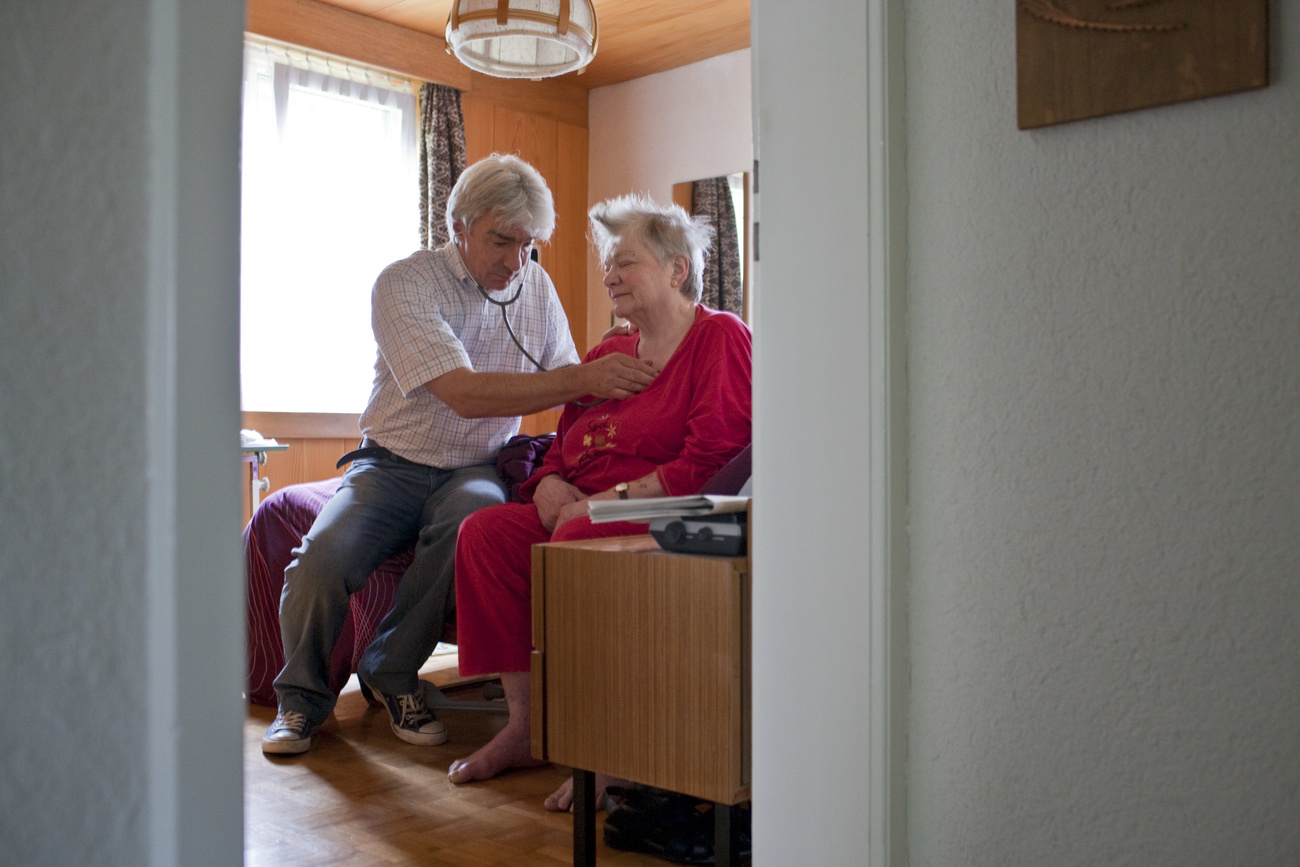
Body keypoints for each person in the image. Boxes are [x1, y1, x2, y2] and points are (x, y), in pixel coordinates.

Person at [262, 155, 658, 755]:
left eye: (528, 246)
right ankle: (300, 702)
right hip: (389, 465)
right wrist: (587, 378)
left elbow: (570, 382)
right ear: (460, 228)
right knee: (321, 561)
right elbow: (465, 393)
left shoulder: (536, 286)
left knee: (474, 525)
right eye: (501, 241)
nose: (514, 261)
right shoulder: (404, 283)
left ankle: (392, 675)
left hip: (475, 467)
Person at [446, 194, 752, 809]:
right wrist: (554, 484)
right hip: (588, 505)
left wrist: (604, 501)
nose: (609, 275)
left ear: (676, 270)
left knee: (576, 542)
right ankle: (526, 726)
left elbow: (712, 463)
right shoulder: (609, 353)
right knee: (485, 534)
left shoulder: (720, 338)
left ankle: (613, 748)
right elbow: (563, 445)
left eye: (625, 262)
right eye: (607, 264)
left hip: (679, 509)